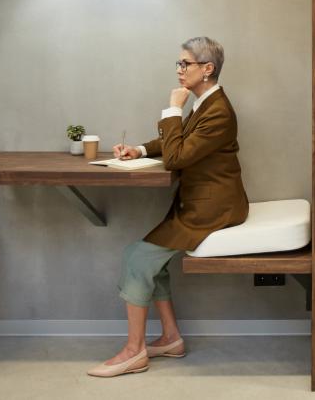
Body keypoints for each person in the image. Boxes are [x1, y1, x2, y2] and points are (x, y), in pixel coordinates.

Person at [87, 36, 249, 378]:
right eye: (179, 64)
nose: (179, 71)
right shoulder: (207, 103)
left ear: (207, 69)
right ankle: (172, 339)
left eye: (184, 64)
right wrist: (140, 150)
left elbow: (177, 156)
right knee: (152, 263)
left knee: (136, 257)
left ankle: (134, 352)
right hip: (198, 204)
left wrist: (173, 107)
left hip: (213, 208)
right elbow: (179, 141)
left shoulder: (218, 110)